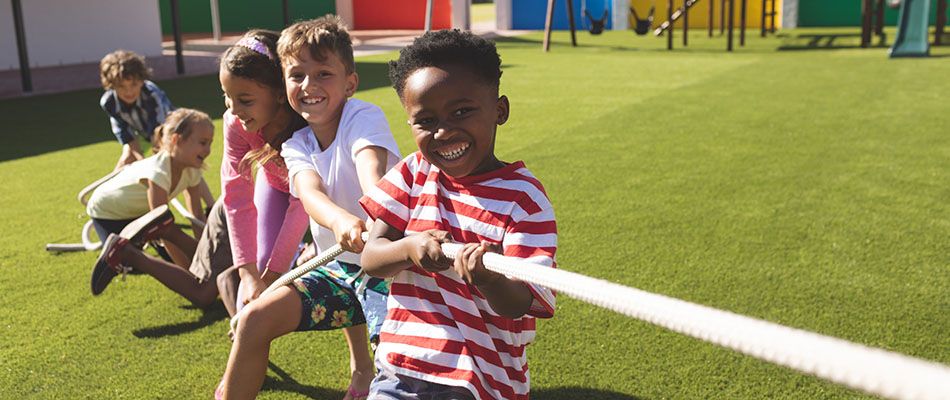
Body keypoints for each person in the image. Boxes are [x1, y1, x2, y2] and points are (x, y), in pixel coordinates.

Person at [359, 30, 558, 400]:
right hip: (402, 368)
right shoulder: (412, 172)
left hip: (482, 380)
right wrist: (409, 248)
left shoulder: (525, 198)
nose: (444, 131)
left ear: (500, 110)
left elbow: (522, 303)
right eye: (426, 120)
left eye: (462, 112)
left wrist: (489, 278)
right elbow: (372, 258)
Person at [217, 16, 401, 400]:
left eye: (323, 74)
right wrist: (340, 221)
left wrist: (371, 211)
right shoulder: (297, 143)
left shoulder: (363, 117)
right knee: (253, 318)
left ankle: (373, 373)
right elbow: (309, 192)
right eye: (297, 75)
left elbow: (371, 168)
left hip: (390, 272)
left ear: (350, 82)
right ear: (285, 86)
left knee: (398, 360)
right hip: (339, 269)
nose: (309, 86)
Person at [217, 30, 311, 318]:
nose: (234, 109)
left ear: (280, 94)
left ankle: (359, 356)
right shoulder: (235, 123)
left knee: (337, 265)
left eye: (244, 100)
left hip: (321, 195)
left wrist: (274, 275)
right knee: (258, 265)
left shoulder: (309, 125)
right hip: (275, 186)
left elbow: (302, 204)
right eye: (227, 97)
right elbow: (236, 196)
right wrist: (248, 274)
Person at [89, 108, 216, 295]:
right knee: (129, 262)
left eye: (210, 143)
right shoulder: (158, 171)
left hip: (139, 214)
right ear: (177, 140)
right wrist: (192, 274)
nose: (208, 150)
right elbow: (163, 228)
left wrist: (206, 255)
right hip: (108, 213)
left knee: (169, 250)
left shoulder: (193, 170)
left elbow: (196, 216)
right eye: (203, 143)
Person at [99, 50, 175, 170]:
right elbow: (127, 135)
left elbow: (157, 133)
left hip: (169, 131)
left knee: (172, 165)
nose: (129, 92)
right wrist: (142, 161)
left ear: (142, 80)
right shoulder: (109, 103)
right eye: (121, 86)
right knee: (126, 160)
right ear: (112, 85)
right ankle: (114, 187)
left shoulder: (151, 95)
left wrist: (156, 165)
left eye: (134, 84)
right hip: (141, 133)